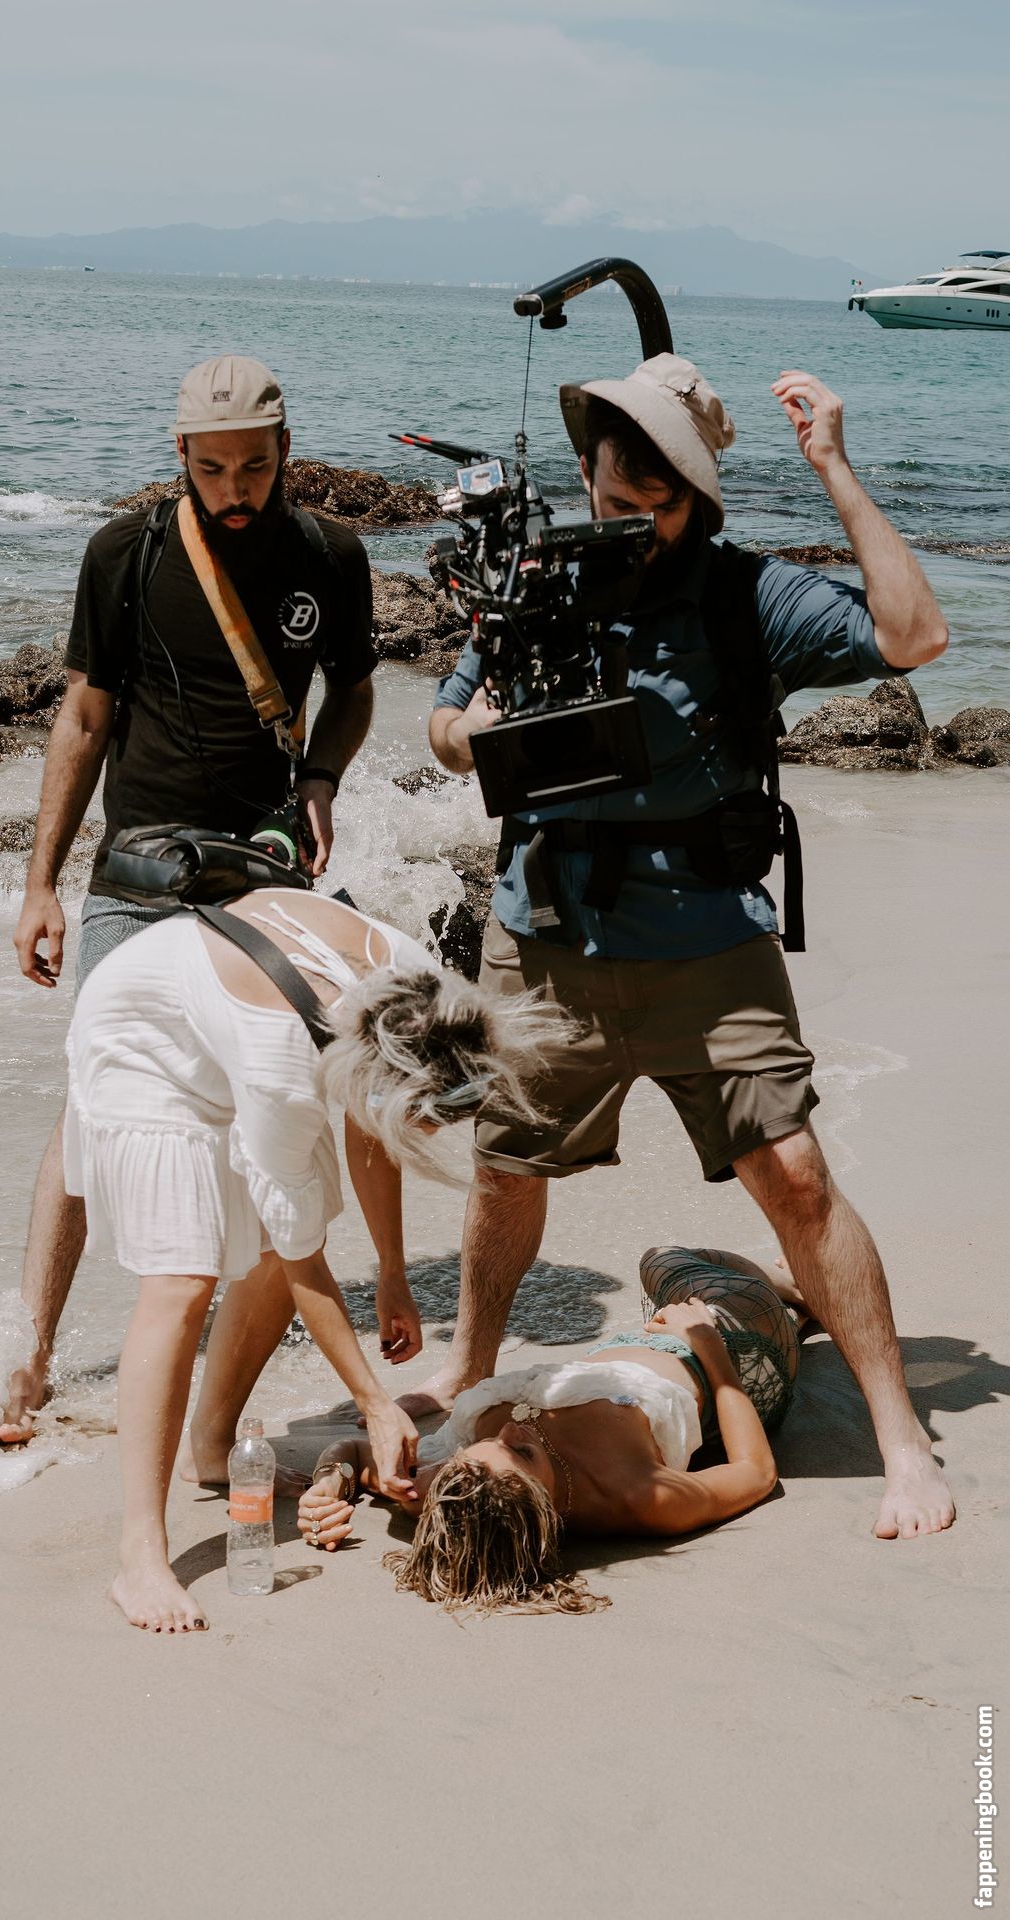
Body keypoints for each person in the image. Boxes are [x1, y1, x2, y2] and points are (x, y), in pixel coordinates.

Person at [427, 358, 954, 1541]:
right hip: (546, 934)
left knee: (797, 1175)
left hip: (707, 942)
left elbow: (916, 634)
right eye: (613, 503)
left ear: (697, 500)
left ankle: (899, 1432)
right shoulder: (538, 580)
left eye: (656, 510)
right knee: (507, 1170)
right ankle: (468, 1371)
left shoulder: (744, 595)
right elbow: (444, 721)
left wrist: (833, 467)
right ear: (587, 478)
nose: (631, 529)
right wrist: (471, 732)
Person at [0, 355, 379, 1443]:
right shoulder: (126, 554)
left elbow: (353, 687)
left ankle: (211, 1373)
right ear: (180, 455)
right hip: (138, 872)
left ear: (286, 450)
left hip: (265, 877)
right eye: (212, 470)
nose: (234, 489)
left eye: (253, 467)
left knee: (269, 1108)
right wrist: (40, 884)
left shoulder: (330, 557)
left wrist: (320, 775)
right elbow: (84, 716)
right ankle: (31, 1351)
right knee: (92, 1107)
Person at [64, 883, 563, 1631]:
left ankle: (211, 1447)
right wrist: (374, 1404)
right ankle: (139, 1556)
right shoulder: (282, 1073)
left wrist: (392, 1271)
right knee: (182, 1281)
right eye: (423, 1119)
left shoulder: (417, 991)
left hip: (230, 1014)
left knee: (279, 1235)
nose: (426, 1134)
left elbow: (368, 1126)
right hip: (145, 1037)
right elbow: (306, 1263)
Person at [295, 1245, 808, 1613]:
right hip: (738, 1356)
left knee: (664, 1270)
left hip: (644, 1340)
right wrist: (707, 1343)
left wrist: (329, 1484)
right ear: (540, 1509)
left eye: (477, 1448)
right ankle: (797, 1294)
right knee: (664, 1261)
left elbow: (357, 1452)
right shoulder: (635, 1497)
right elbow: (756, 1472)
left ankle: (796, 1305)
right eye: (522, 1453)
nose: (509, 1431)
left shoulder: (456, 1495)